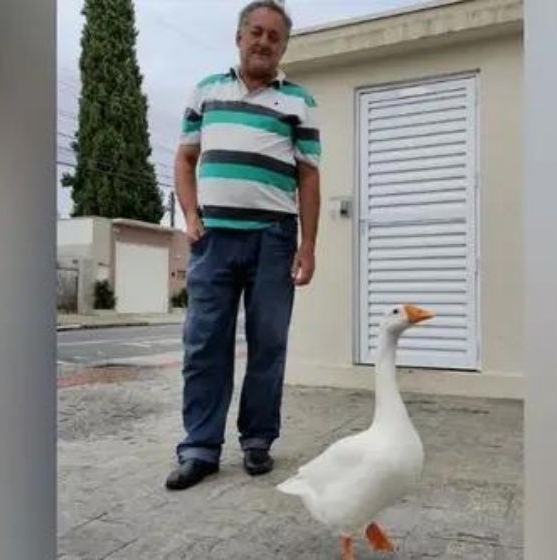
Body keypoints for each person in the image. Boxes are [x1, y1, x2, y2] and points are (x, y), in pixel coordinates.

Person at [165, 0, 321, 490]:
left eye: (274, 37)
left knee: (268, 345)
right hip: (213, 241)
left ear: (283, 47)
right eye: (256, 32)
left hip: (275, 239)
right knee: (203, 344)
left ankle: (257, 441)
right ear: (239, 36)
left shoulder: (298, 100)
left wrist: (308, 244)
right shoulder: (206, 92)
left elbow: (309, 176)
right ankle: (199, 448)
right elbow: (185, 160)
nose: (264, 42)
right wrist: (191, 215)